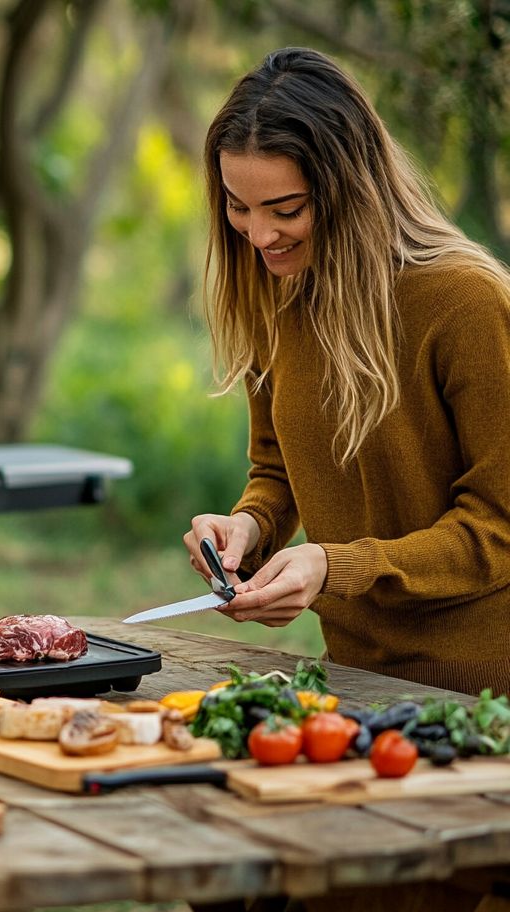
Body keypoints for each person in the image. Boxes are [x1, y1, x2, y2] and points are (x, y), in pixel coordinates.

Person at [183, 47, 510, 697]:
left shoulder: (466, 302)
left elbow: (499, 525)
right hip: (354, 680)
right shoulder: (277, 293)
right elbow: (280, 470)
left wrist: (338, 567)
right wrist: (247, 530)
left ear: (349, 190)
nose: (259, 235)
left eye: (286, 209)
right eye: (238, 206)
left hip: (484, 692)